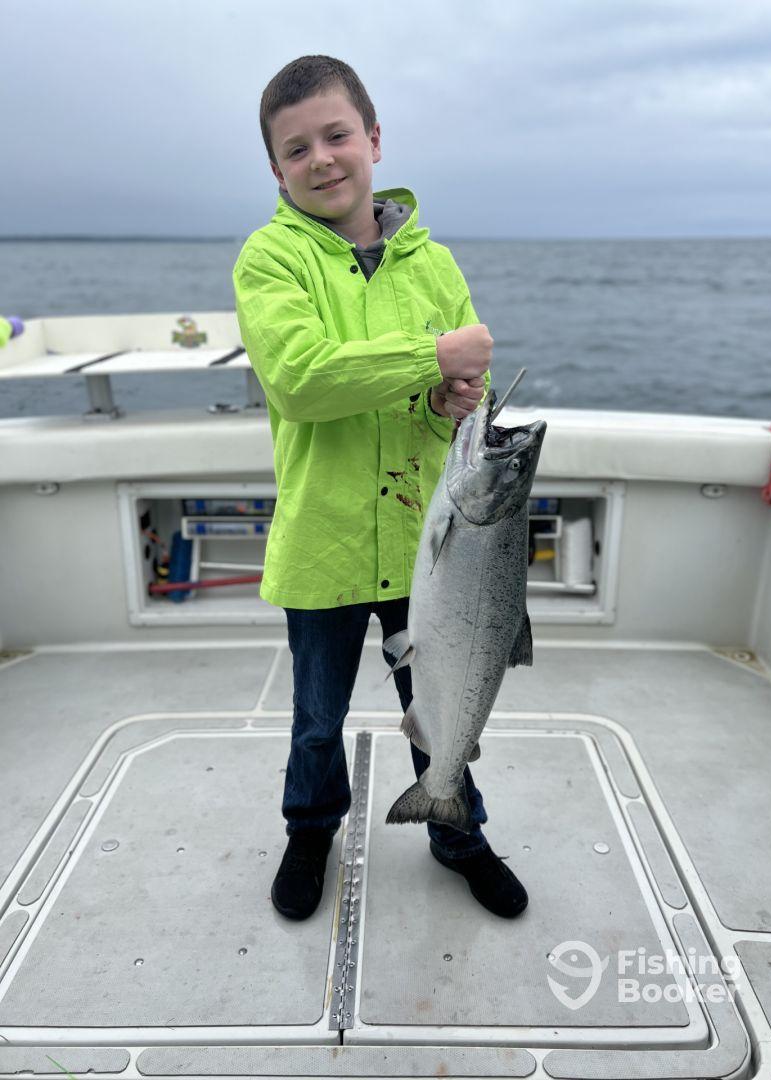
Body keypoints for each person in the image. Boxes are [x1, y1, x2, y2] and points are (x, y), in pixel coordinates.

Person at [232, 55, 528, 922]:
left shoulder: (433, 266)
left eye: (336, 135)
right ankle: (310, 829)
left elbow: (451, 417)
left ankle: (457, 830)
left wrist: (444, 400)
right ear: (276, 169)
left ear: (373, 138)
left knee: (439, 705)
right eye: (297, 149)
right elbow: (301, 379)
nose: (322, 158)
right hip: (321, 539)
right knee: (317, 722)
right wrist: (434, 359)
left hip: (423, 546)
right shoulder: (269, 260)